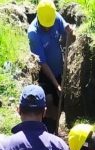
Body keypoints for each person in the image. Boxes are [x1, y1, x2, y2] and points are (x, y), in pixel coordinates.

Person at [28, 0, 75, 134]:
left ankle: (56, 131)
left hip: (59, 70)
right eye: (45, 26)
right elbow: (42, 63)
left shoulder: (54, 18)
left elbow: (70, 39)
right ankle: (46, 132)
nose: (48, 28)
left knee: (59, 104)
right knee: (49, 103)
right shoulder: (33, 33)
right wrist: (56, 85)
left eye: (50, 25)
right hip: (45, 74)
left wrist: (71, 33)